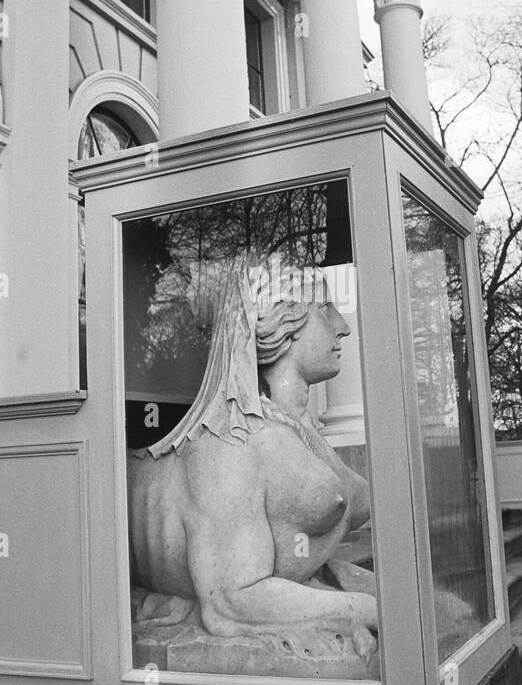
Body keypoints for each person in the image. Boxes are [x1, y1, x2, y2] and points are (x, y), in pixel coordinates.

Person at [127, 258, 378, 662]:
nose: (343, 326)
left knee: (444, 611)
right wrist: (376, 611)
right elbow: (232, 601)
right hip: (241, 602)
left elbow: (353, 500)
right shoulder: (230, 445)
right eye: (326, 309)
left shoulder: (288, 429)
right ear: (285, 324)